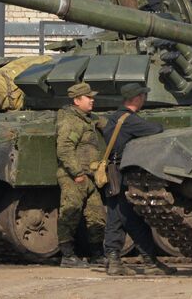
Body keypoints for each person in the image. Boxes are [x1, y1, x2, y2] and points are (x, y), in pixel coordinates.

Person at [100, 83, 176, 276]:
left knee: (119, 217)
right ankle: (145, 262)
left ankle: (116, 260)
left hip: (112, 174)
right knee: (127, 217)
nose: (145, 100)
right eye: (143, 96)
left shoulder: (115, 117)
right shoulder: (129, 120)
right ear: (136, 98)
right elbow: (155, 128)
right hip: (122, 175)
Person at [54, 81, 106, 267]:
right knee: (71, 212)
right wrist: (77, 173)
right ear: (77, 100)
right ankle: (67, 256)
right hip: (74, 176)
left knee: (96, 215)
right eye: (88, 97)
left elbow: (104, 123)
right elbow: (65, 149)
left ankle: (97, 254)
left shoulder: (86, 118)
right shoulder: (71, 121)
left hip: (89, 177)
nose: (92, 100)